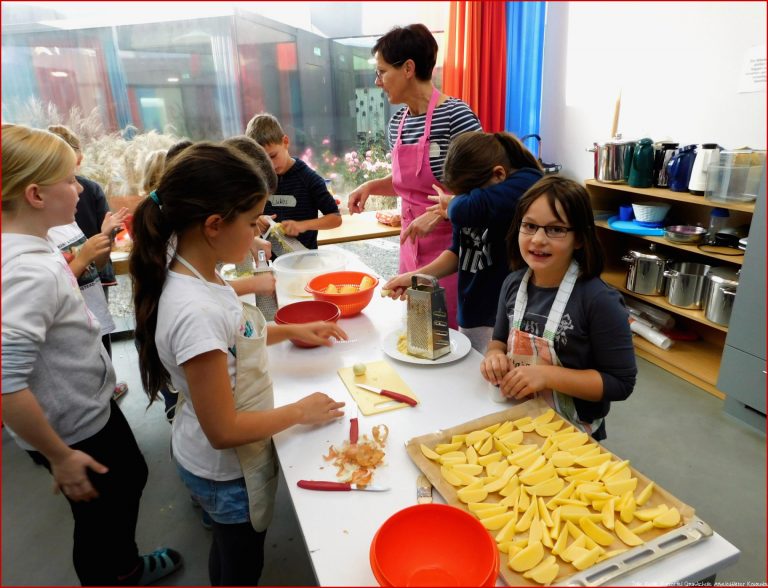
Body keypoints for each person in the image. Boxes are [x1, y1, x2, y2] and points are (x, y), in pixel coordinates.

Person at [129, 141, 347, 585]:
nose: (258, 235)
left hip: (209, 458)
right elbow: (223, 429)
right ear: (214, 225)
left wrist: (289, 331)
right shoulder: (195, 310)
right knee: (241, 562)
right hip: (224, 471)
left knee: (229, 551)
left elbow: (236, 338)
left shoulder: (198, 270)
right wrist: (299, 412)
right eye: (251, 223)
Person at [2, 124, 182, 586]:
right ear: (36, 194)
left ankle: (120, 564)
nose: (79, 187)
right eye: (68, 180)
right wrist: (58, 455)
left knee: (126, 482)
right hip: (72, 428)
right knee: (102, 513)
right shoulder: (25, 272)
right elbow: (5, 380)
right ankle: (118, 572)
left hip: (84, 410)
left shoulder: (29, 246)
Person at [346, 24, 482, 329]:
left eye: (382, 72)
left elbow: (487, 188)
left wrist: (439, 214)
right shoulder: (398, 123)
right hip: (411, 244)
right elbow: (405, 182)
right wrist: (371, 186)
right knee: (419, 330)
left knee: (450, 334)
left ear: (408, 68)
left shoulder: (457, 117)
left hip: (453, 248)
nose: (378, 82)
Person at [480, 176, 637, 441]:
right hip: (516, 416)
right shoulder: (512, 284)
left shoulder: (599, 301)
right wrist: (493, 357)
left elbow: (620, 383)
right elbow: (497, 341)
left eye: (555, 229)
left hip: (574, 431)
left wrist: (547, 375)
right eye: (529, 226)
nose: (538, 239)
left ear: (579, 238)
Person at [382, 131, 544, 353]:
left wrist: (452, 206)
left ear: (499, 175)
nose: (465, 202)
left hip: (510, 315)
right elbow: (459, 252)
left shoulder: (526, 183)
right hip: (472, 311)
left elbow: (461, 208)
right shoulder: (471, 204)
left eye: (469, 195)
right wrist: (417, 276)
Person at [47, 124, 131, 399]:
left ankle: (107, 384)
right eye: (69, 177)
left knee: (100, 336)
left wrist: (103, 237)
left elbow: (97, 251)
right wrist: (84, 256)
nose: (79, 187)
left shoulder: (81, 206)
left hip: (92, 283)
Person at [245, 113, 341, 249]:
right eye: (263, 160)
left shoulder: (308, 178)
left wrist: (303, 225)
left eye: (273, 156)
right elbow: (244, 217)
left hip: (305, 261)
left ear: (285, 142)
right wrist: (255, 220)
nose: (270, 165)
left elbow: (335, 218)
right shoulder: (259, 181)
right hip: (268, 261)